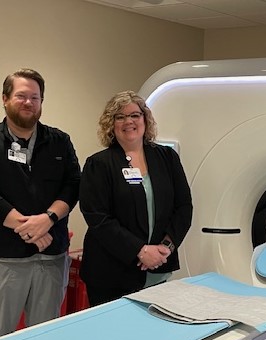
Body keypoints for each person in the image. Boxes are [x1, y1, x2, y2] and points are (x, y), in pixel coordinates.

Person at [0, 68, 81, 340]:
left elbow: (73, 185)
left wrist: (48, 220)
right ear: (5, 99)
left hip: (51, 256)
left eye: (35, 97)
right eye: (21, 96)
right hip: (4, 258)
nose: (28, 102)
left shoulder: (59, 141)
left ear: (41, 102)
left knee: (45, 336)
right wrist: (28, 229)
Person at [79, 91, 192, 306]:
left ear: (145, 119)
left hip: (158, 266)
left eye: (135, 115)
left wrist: (166, 248)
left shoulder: (167, 158)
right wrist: (140, 251)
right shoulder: (99, 164)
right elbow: (97, 218)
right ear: (110, 124)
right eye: (119, 117)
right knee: (114, 335)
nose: (128, 121)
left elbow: (184, 207)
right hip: (112, 272)